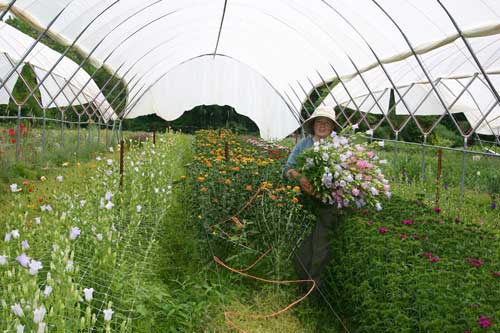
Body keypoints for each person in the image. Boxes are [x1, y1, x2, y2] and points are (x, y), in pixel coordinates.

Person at [283, 105, 340, 292]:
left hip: (327, 205)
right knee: (303, 246)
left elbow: (347, 176)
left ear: (332, 127)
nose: (322, 125)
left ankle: (313, 292)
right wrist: (301, 178)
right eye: (319, 122)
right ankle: (300, 286)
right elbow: (287, 169)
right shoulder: (304, 144)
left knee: (321, 249)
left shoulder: (338, 147)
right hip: (305, 203)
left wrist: (327, 190)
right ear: (313, 125)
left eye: (326, 123)